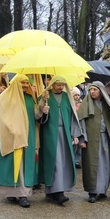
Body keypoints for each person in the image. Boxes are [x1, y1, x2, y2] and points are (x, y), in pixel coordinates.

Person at [0, 75, 48, 208]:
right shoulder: (5, 97)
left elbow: (35, 115)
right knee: (12, 164)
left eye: (27, 83)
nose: (26, 85)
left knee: (24, 165)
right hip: (12, 137)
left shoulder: (29, 98)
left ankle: (23, 194)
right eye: (22, 83)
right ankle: (11, 192)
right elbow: (0, 117)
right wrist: (12, 130)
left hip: (27, 136)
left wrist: (42, 105)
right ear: (15, 83)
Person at [38, 76, 82, 205]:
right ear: (52, 84)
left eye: (63, 85)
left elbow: (73, 117)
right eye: (58, 84)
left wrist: (74, 134)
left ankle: (57, 190)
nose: (61, 87)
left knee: (63, 162)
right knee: (54, 161)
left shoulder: (67, 97)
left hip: (65, 133)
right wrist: (43, 110)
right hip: (50, 134)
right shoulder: (46, 96)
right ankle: (57, 192)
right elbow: (38, 117)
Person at [77, 81, 110, 203]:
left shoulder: (107, 105)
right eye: (91, 89)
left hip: (105, 139)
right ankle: (92, 191)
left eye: (95, 90)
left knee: (105, 165)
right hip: (91, 140)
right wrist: (82, 139)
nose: (92, 92)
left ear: (101, 91)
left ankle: (102, 189)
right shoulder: (86, 105)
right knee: (92, 166)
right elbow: (81, 123)